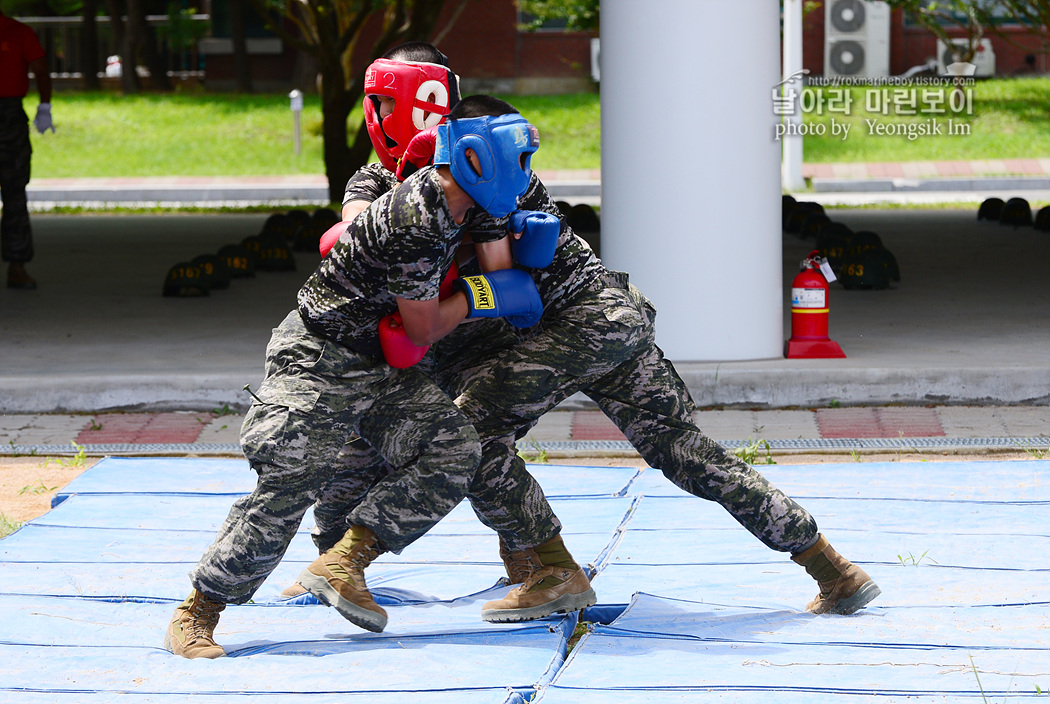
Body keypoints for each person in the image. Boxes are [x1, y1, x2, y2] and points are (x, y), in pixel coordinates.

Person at [311, 49, 882, 623]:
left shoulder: (488, 161)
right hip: (606, 320)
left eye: (385, 100)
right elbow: (364, 229)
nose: (377, 113)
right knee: (683, 451)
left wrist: (466, 287)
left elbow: (503, 266)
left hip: (572, 323)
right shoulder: (380, 180)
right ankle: (832, 569)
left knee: (470, 438)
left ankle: (544, 570)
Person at [164, 95, 546, 659]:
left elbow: (499, 271)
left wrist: (509, 276)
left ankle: (344, 564)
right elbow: (423, 327)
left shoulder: (480, 198)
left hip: (382, 362)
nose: (524, 175)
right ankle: (198, 610)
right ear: (474, 158)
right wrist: (481, 297)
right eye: (516, 159)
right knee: (290, 481)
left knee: (454, 448)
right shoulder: (415, 217)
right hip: (322, 355)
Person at [0, 7, 53, 290]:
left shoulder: (18, 32)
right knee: (14, 192)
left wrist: (44, 106)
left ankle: (17, 265)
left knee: (14, 190)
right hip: (9, 115)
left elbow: (41, 70)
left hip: (8, 115)